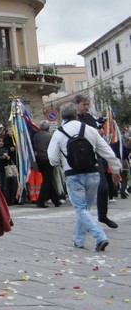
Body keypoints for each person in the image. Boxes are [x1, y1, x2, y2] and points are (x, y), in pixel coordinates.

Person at [48, 102, 121, 252]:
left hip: (73, 174)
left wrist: (61, 162)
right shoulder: (90, 130)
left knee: (81, 209)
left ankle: (100, 236)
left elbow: (52, 158)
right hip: (93, 173)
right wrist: (115, 170)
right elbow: (107, 152)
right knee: (85, 208)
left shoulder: (59, 132)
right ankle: (78, 239)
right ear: (76, 114)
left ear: (62, 116)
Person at [75, 94, 118, 229]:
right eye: (84, 104)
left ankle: (102, 216)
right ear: (76, 104)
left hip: (94, 156)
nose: (87, 107)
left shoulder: (89, 118)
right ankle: (85, 221)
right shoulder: (72, 119)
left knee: (103, 187)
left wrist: (98, 132)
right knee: (83, 193)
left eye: (88, 104)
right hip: (78, 159)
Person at [33, 122, 61, 208]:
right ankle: (41, 201)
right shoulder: (50, 136)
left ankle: (56, 200)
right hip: (48, 159)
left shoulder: (36, 136)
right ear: (48, 128)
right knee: (47, 180)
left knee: (48, 179)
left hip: (39, 159)